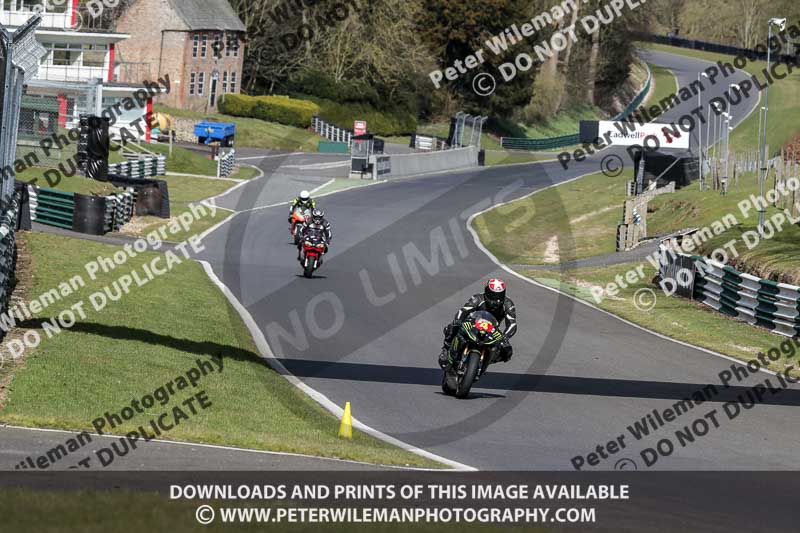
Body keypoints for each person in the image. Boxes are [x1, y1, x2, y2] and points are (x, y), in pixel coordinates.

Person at [439, 278, 517, 369]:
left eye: (499, 295)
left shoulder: (508, 304)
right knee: (453, 327)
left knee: (507, 351)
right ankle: (446, 349)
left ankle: (486, 361)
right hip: (472, 323)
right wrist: (458, 321)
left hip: (491, 329)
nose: (497, 299)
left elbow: (512, 324)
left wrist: (505, 337)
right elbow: (463, 311)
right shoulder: (477, 298)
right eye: (493, 295)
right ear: (487, 291)